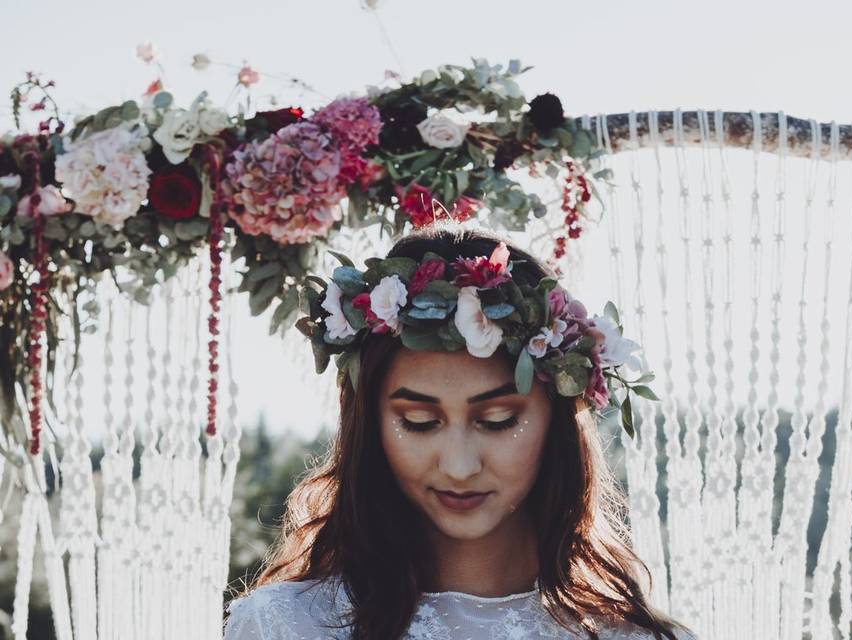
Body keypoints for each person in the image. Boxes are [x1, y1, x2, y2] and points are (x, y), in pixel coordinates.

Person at [223, 226, 697, 639]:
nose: (459, 465)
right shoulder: (282, 627)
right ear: (370, 426)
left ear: (556, 421)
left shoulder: (637, 637)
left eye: (498, 421)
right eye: (420, 422)